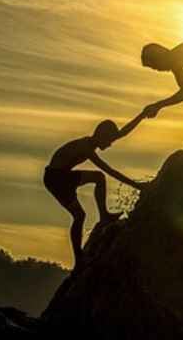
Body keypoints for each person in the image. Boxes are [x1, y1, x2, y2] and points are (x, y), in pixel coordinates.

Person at [44, 112, 147, 269]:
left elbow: (122, 133)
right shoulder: (86, 147)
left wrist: (142, 115)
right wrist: (137, 186)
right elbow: (109, 170)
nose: (111, 144)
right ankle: (102, 219)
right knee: (96, 182)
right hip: (57, 178)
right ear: (102, 136)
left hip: (60, 176)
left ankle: (80, 255)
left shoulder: (93, 142)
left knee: (80, 215)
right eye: (109, 140)